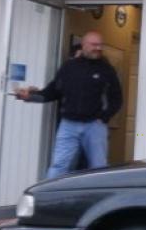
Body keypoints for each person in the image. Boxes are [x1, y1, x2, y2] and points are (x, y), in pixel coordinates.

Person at [15, 31, 122, 179]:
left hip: (95, 126)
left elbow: (117, 98)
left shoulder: (106, 69)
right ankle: (48, 199)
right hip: (69, 126)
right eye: (94, 44)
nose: (98, 48)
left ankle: (98, 200)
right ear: (83, 45)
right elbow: (52, 91)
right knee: (59, 165)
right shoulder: (69, 67)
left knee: (99, 167)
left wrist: (104, 117)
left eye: (100, 45)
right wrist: (30, 97)